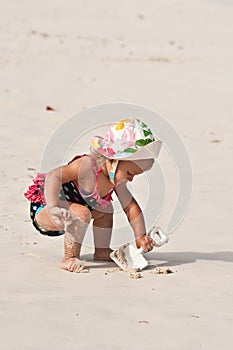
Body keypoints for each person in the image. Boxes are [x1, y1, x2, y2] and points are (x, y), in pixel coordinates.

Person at [24, 118, 162, 273]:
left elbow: (131, 207)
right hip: (46, 209)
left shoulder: (116, 180)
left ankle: (102, 251)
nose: (130, 179)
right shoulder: (87, 166)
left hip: (76, 213)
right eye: (129, 173)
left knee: (105, 209)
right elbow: (53, 176)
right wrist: (53, 206)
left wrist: (140, 237)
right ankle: (69, 257)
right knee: (83, 213)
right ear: (113, 160)